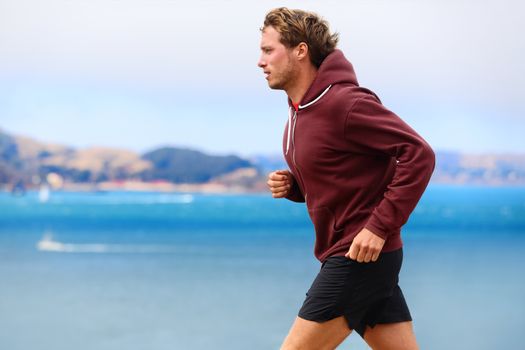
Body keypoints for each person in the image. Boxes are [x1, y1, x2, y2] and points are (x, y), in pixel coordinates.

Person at [258, 7, 435, 350]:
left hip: (357, 257)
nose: (260, 61)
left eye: (268, 50)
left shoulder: (346, 103)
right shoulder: (299, 113)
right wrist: (296, 187)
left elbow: (419, 154)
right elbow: (344, 173)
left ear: (300, 50)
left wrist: (378, 227)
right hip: (362, 258)